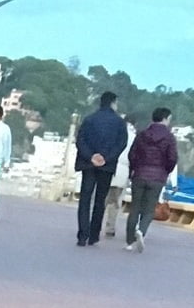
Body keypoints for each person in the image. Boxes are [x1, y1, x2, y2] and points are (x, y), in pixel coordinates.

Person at [75, 90, 128, 244]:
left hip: (88, 164)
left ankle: (82, 234)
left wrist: (91, 156)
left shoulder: (89, 119)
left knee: (85, 198)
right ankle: (94, 235)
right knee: (100, 200)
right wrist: (106, 158)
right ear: (113, 103)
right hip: (106, 166)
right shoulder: (119, 122)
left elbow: (80, 140)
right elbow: (121, 144)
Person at [124, 107, 179, 250]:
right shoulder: (169, 137)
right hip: (157, 178)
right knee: (149, 210)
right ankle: (141, 231)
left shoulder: (142, 134)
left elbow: (132, 154)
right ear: (165, 119)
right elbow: (172, 158)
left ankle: (129, 242)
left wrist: (134, 169)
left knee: (135, 208)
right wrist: (165, 171)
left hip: (139, 175)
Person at [103, 123, 133, 237]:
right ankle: (110, 227)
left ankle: (95, 223)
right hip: (123, 171)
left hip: (107, 168)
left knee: (102, 199)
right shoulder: (133, 137)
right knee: (115, 201)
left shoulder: (112, 132)